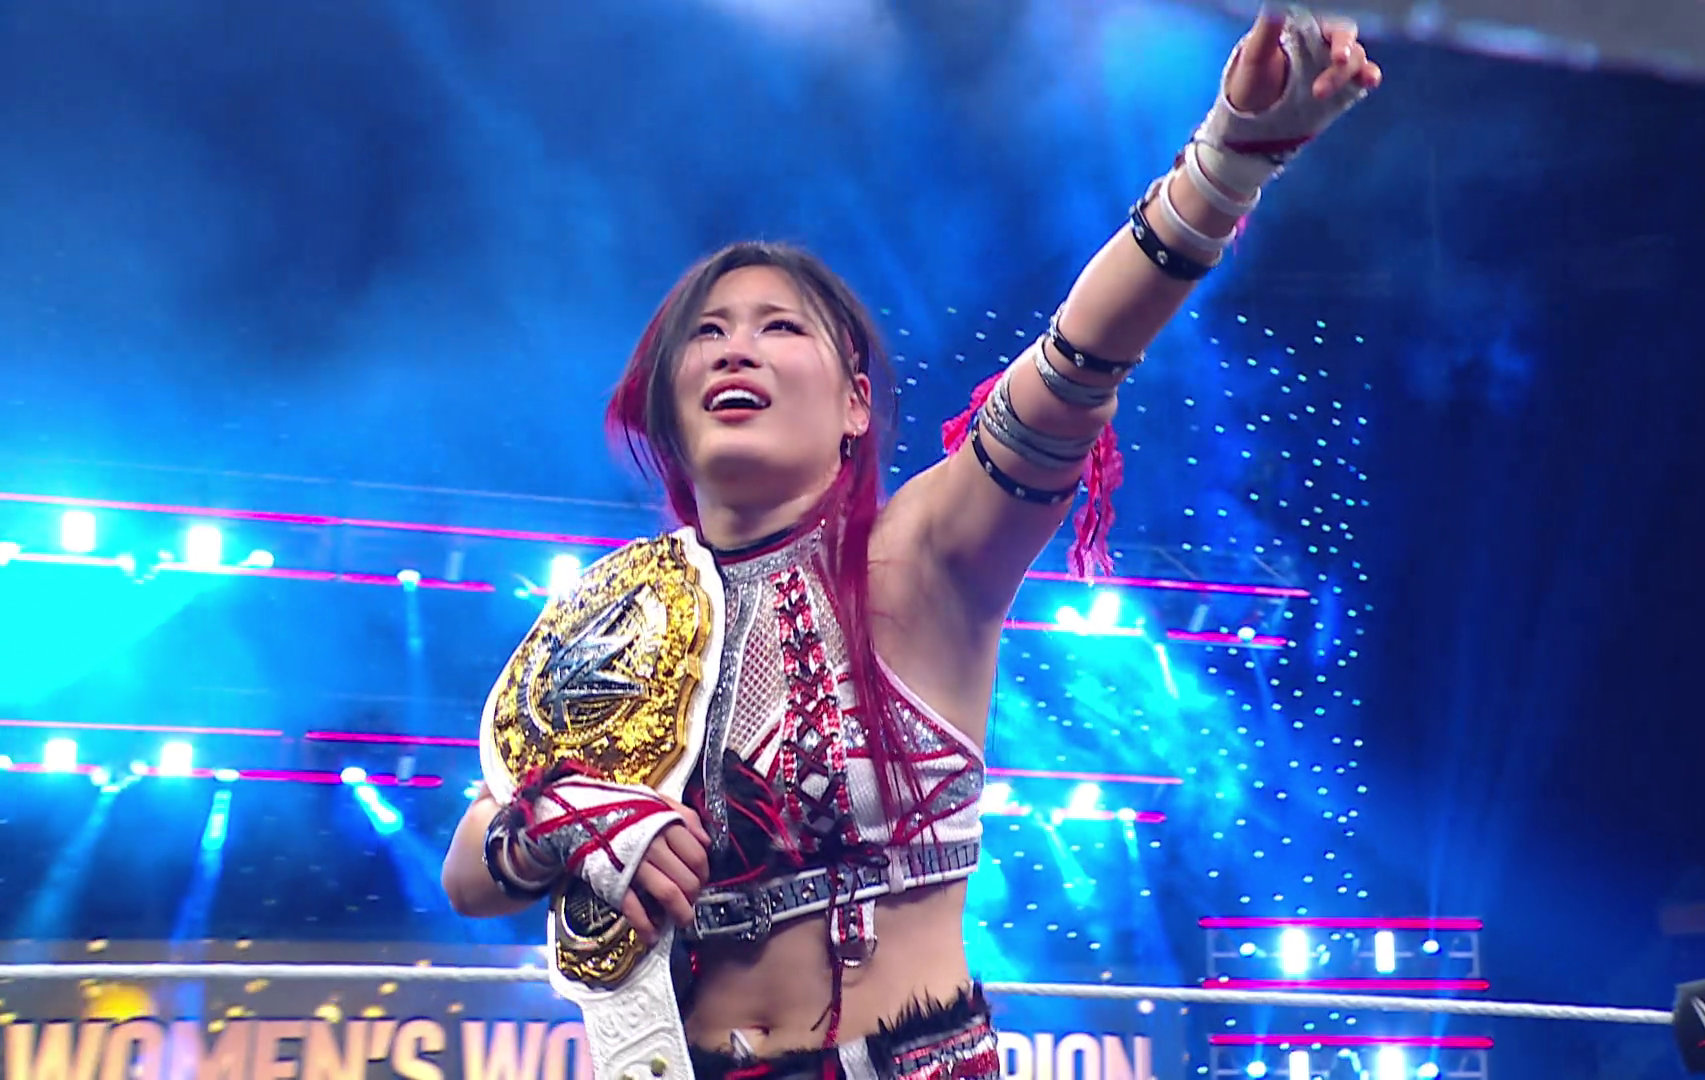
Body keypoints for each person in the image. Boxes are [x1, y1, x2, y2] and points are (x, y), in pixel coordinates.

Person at [441, 8, 1381, 1079]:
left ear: (855, 404)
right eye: (706, 332)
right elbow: (470, 869)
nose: (735, 348)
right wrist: (556, 821)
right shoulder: (613, 618)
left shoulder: (924, 554)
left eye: (779, 326)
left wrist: (1226, 162)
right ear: (667, 403)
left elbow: (1079, 360)